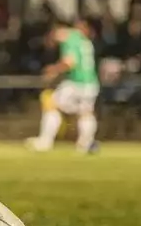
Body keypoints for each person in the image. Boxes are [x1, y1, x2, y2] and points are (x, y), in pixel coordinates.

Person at [31, 17, 100, 153]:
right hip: (91, 83)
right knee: (86, 113)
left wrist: (53, 70)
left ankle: (45, 141)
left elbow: (70, 62)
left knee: (50, 103)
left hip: (76, 83)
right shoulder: (85, 41)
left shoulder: (71, 39)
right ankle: (85, 144)